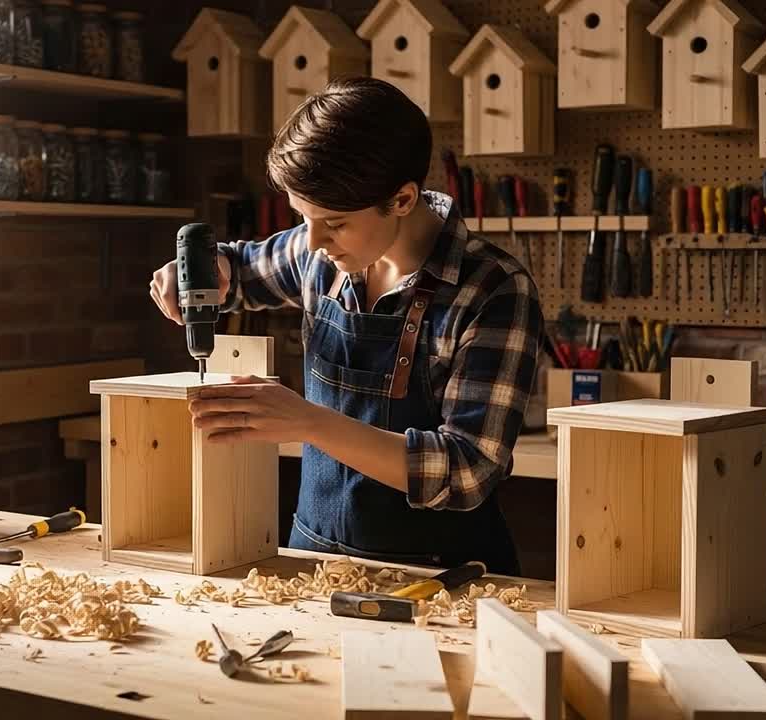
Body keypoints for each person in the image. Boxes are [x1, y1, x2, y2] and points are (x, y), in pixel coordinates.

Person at [148, 77, 543, 575]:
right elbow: (240, 269)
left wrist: (308, 422)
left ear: (401, 199)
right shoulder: (322, 252)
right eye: (302, 216)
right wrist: (204, 271)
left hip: (442, 579)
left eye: (332, 222)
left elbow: (467, 471)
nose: (312, 241)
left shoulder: (492, 290)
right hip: (312, 560)